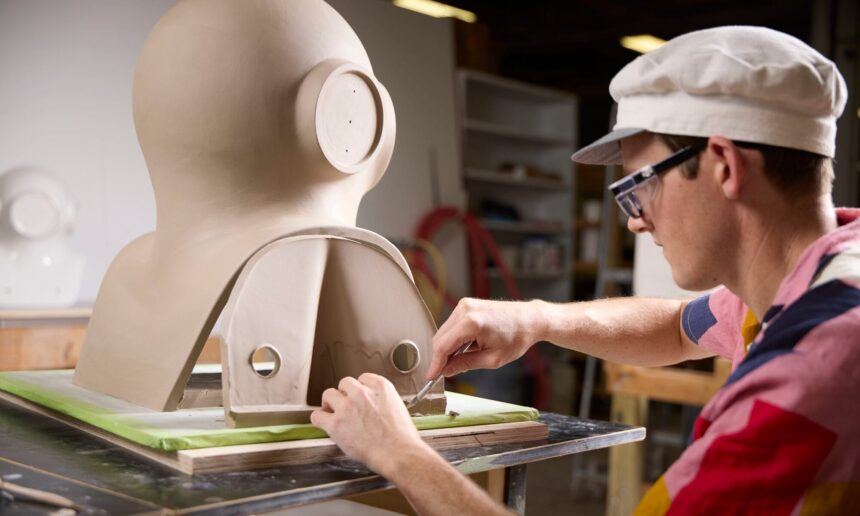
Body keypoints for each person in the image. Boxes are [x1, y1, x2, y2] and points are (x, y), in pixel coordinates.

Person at [310, 26, 860, 515]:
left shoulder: (807, 374)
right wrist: (536, 320)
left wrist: (399, 453)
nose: (635, 223)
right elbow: (676, 327)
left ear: (723, 165)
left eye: (639, 186)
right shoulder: (824, 277)